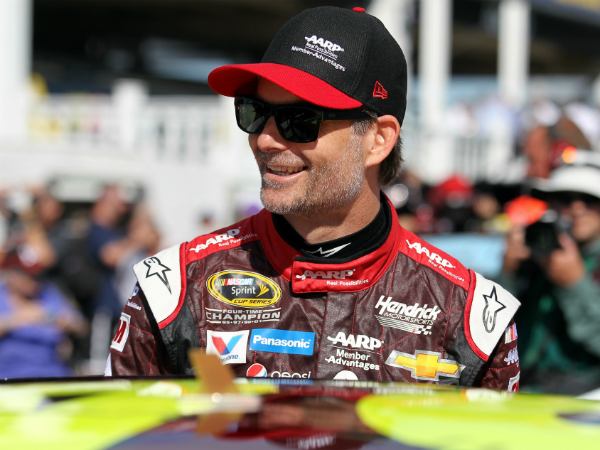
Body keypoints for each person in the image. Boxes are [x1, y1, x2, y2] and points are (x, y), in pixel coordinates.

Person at [107, 6, 520, 389]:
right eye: (253, 112)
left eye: (299, 120)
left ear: (378, 140)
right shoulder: (173, 289)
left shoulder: (473, 317)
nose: (265, 139)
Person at [498, 162, 600, 394]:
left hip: (583, 397)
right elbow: (491, 327)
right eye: (565, 199)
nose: (576, 208)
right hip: (523, 390)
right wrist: (509, 271)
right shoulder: (535, 253)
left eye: (589, 200)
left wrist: (574, 284)